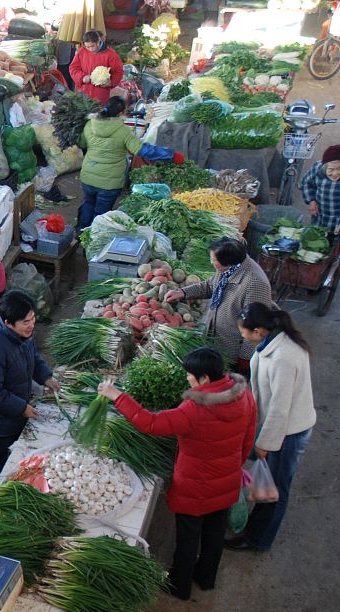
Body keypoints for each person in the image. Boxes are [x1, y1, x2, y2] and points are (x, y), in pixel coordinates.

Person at [98, 347, 256, 600]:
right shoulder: (244, 395)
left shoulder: (194, 409)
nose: (187, 379)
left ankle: (180, 586)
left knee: (187, 538)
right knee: (215, 534)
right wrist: (235, 466)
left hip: (195, 487)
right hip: (227, 481)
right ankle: (206, 579)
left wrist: (117, 396)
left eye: (190, 376)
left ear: (204, 378)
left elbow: (150, 423)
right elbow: (249, 435)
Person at [226, 303, 316, 553]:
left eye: (244, 332)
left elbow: (279, 408)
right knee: (270, 484)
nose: (242, 336)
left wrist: (265, 443)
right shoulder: (272, 341)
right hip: (281, 425)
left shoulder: (283, 358)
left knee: (276, 490)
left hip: (290, 431)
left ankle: (258, 540)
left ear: (258, 331)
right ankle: (256, 529)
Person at [0, 290, 59, 483]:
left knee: (17, 466)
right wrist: (22, 408)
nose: (31, 325)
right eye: (25, 322)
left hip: (14, 414)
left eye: (33, 318)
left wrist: (46, 377)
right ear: (8, 323)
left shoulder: (23, 334)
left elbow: (33, 357)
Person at [164, 237, 273, 372]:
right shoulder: (230, 268)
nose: (211, 262)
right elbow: (210, 285)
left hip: (232, 351)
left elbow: (256, 326)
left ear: (227, 262)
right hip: (216, 342)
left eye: (213, 260)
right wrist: (183, 293)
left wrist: (245, 361)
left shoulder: (255, 283)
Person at [78, 96, 185, 230]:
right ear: (120, 113)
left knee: (88, 204)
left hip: (88, 176)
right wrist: (171, 155)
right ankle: (92, 241)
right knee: (101, 215)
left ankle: (80, 234)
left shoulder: (89, 124)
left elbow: (82, 143)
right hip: (109, 183)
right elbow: (143, 150)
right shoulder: (123, 131)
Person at [68, 29, 123, 105]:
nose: (90, 49)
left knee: (96, 115)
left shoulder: (111, 54)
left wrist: (111, 82)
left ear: (98, 41)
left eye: (92, 46)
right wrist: (82, 77)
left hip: (100, 95)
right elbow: (73, 68)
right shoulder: (81, 51)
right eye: (87, 47)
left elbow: (118, 71)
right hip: (81, 93)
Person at [299, 143, 340, 236]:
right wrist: (312, 201)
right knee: (317, 241)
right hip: (319, 218)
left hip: (338, 220)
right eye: (331, 169)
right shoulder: (317, 167)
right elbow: (306, 183)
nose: (335, 174)